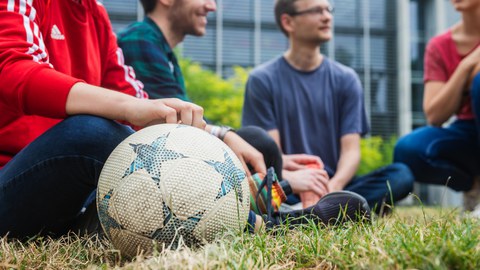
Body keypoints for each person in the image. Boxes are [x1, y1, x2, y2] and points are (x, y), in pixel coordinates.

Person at [0, 0, 369, 239]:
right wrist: (130, 110)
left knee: (252, 140)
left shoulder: (94, 13)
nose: (212, 6)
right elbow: (13, 69)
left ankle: (268, 202)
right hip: (16, 181)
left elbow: (141, 99)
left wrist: (221, 135)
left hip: (76, 193)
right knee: (93, 133)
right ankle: (268, 222)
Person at [118, 0, 371, 230]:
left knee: (258, 144)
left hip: (172, 166)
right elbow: (176, 131)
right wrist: (289, 178)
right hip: (153, 172)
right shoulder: (141, 40)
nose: (212, 6)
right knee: (258, 143)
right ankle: (279, 216)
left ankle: (274, 207)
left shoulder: (163, 50)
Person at [242, 0, 414, 213]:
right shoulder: (262, 80)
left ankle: (319, 209)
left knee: (400, 176)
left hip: (337, 184)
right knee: (263, 189)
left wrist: (332, 189)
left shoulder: (346, 79)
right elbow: (273, 158)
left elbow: (351, 152)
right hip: (291, 185)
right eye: (316, 10)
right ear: (288, 22)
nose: (327, 16)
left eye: (328, 9)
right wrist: (299, 181)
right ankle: (341, 209)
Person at [394, 0, 480, 215]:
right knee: (408, 150)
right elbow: (435, 115)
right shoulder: (440, 45)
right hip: (468, 130)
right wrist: (466, 66)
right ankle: (474, 188)